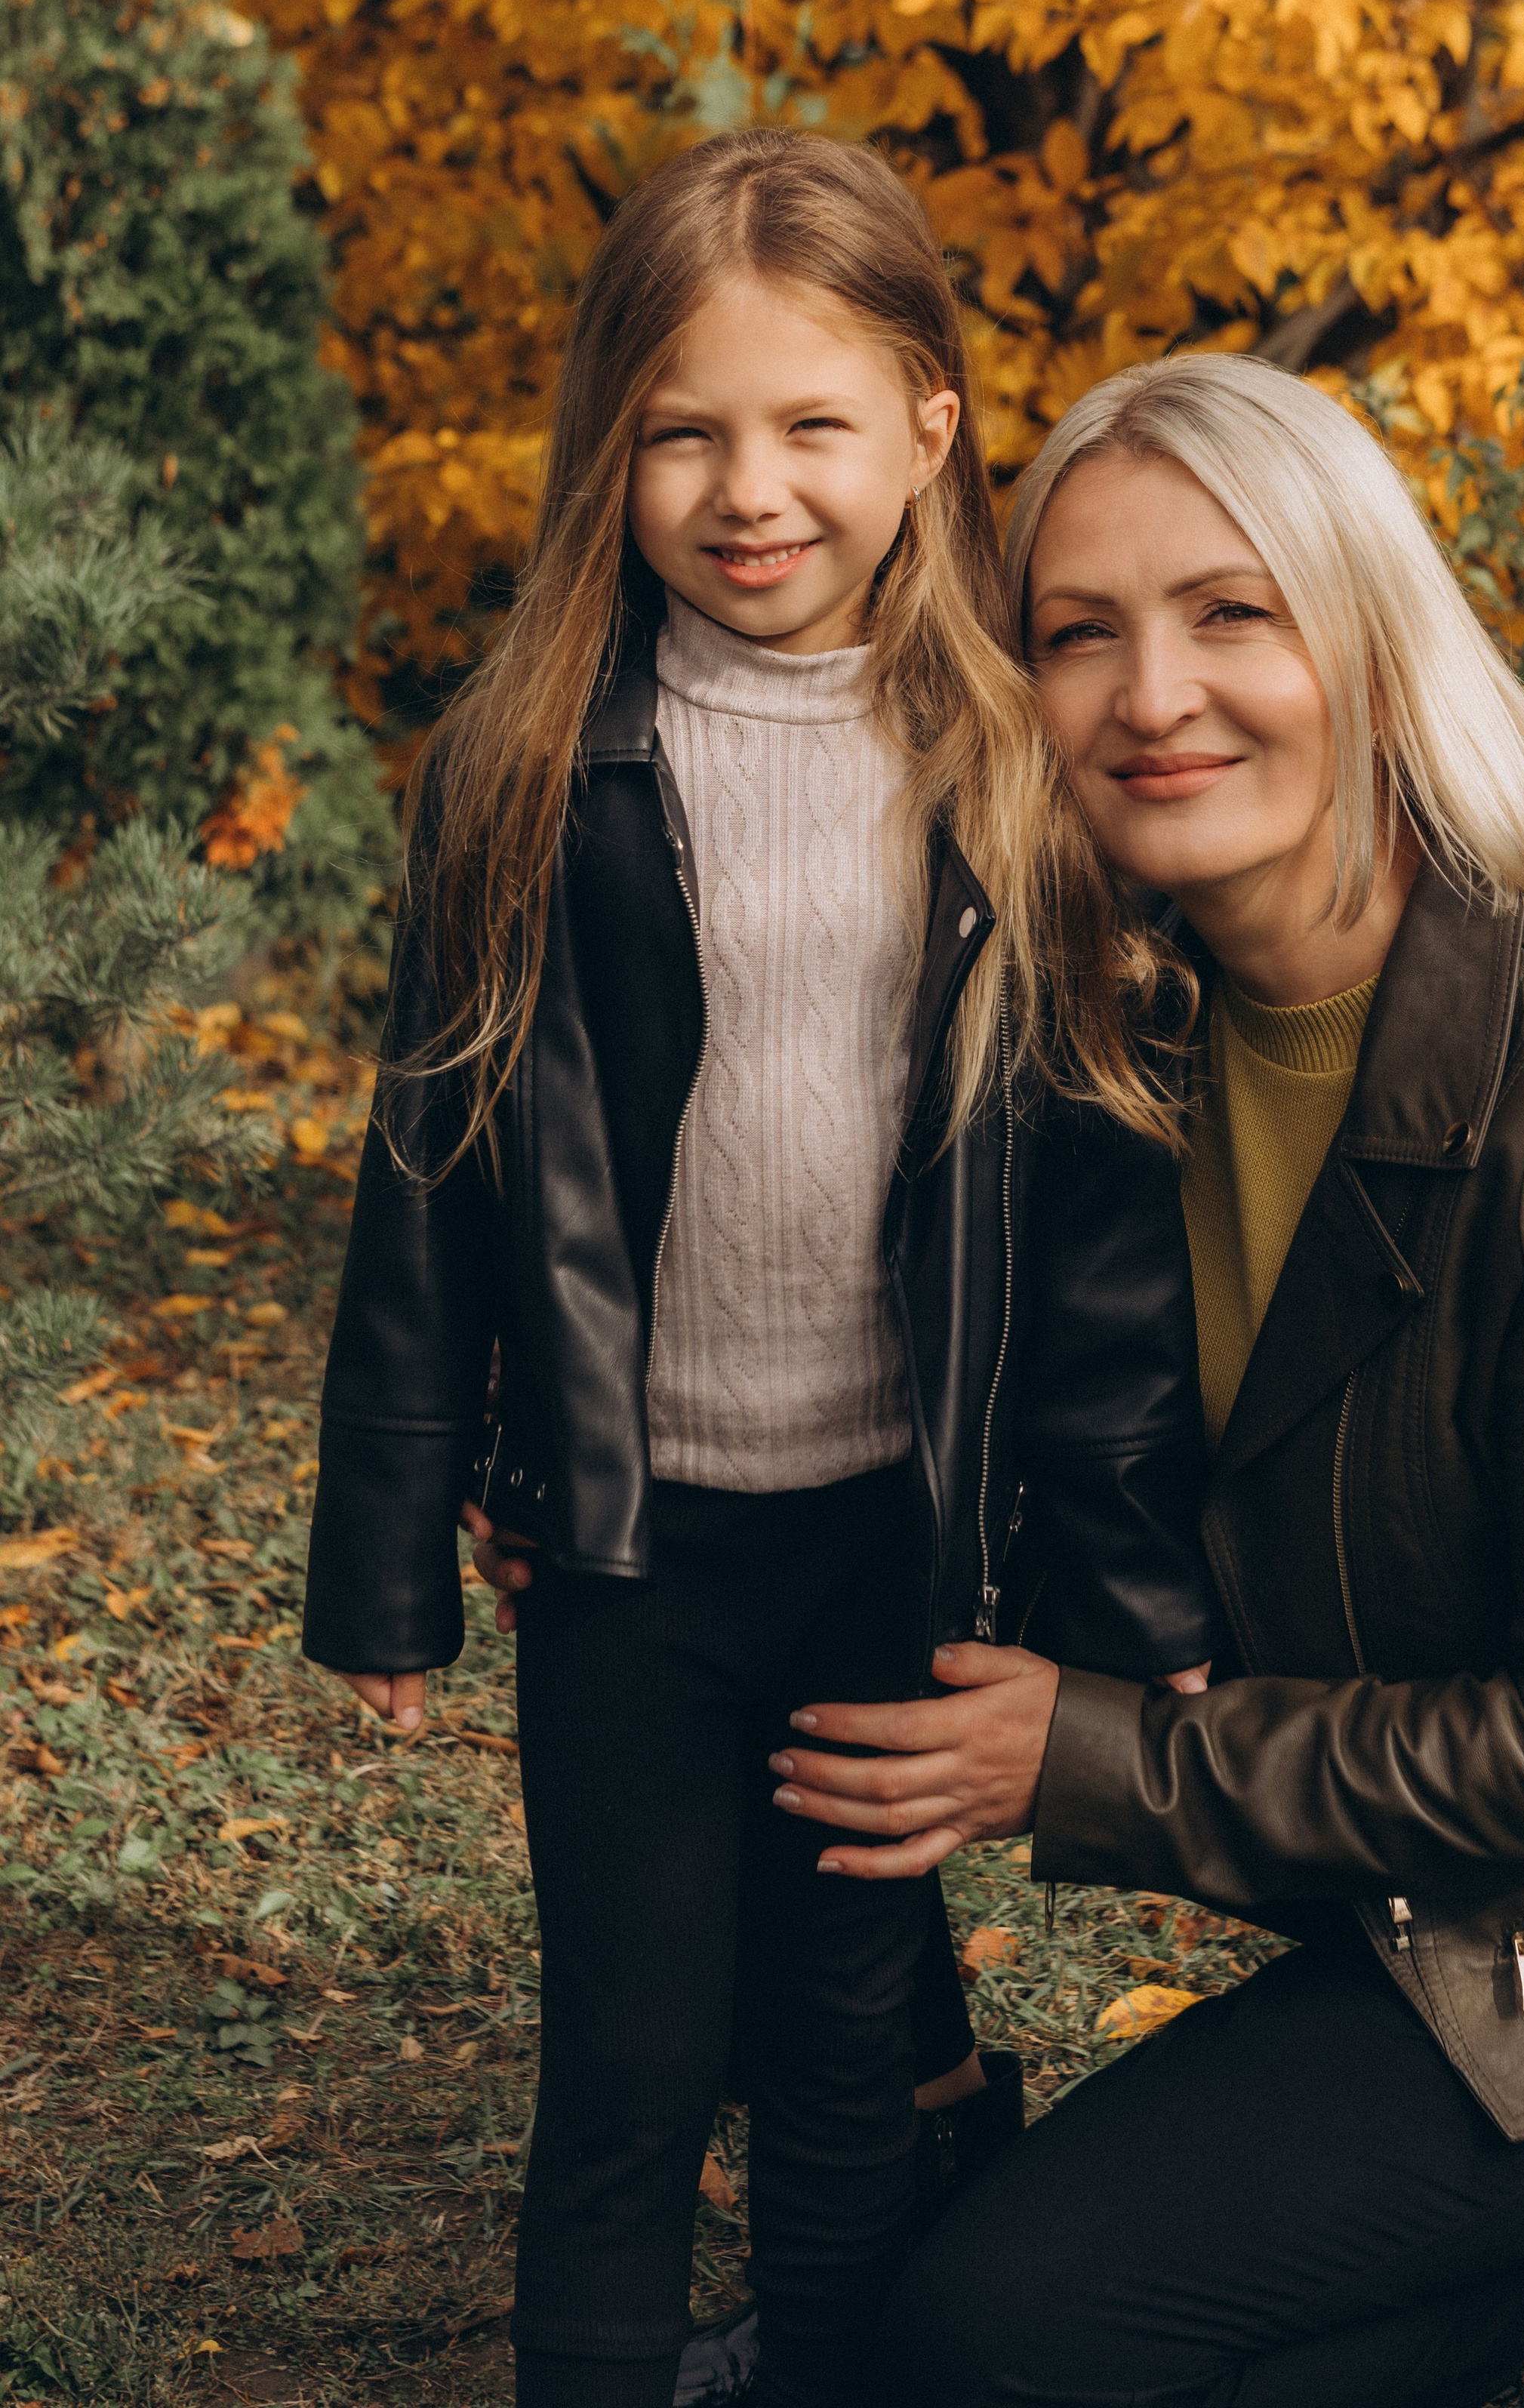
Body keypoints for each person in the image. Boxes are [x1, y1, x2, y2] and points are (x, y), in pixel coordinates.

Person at [765, 353, 1524, 2408]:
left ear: (1369, 640)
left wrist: (1088, 1762)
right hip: (1391, 1876)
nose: (1150, 693)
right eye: (1078, 634)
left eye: (1230, 612)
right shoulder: (1105, 1024)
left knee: (994, 2356)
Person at [298, 136, 1221, 2408]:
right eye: (685, 431)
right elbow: (436, 1172)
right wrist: (388, 1558)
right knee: (624, 2070)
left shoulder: (1017, 769)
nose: (749, 490)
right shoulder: (522, 765)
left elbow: (1092, 1254)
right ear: (610, 445)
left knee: (837, 2056)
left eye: (814, 426)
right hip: (628, 1549)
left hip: (887, 1547)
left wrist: (1141, 1611)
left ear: (926, 429)